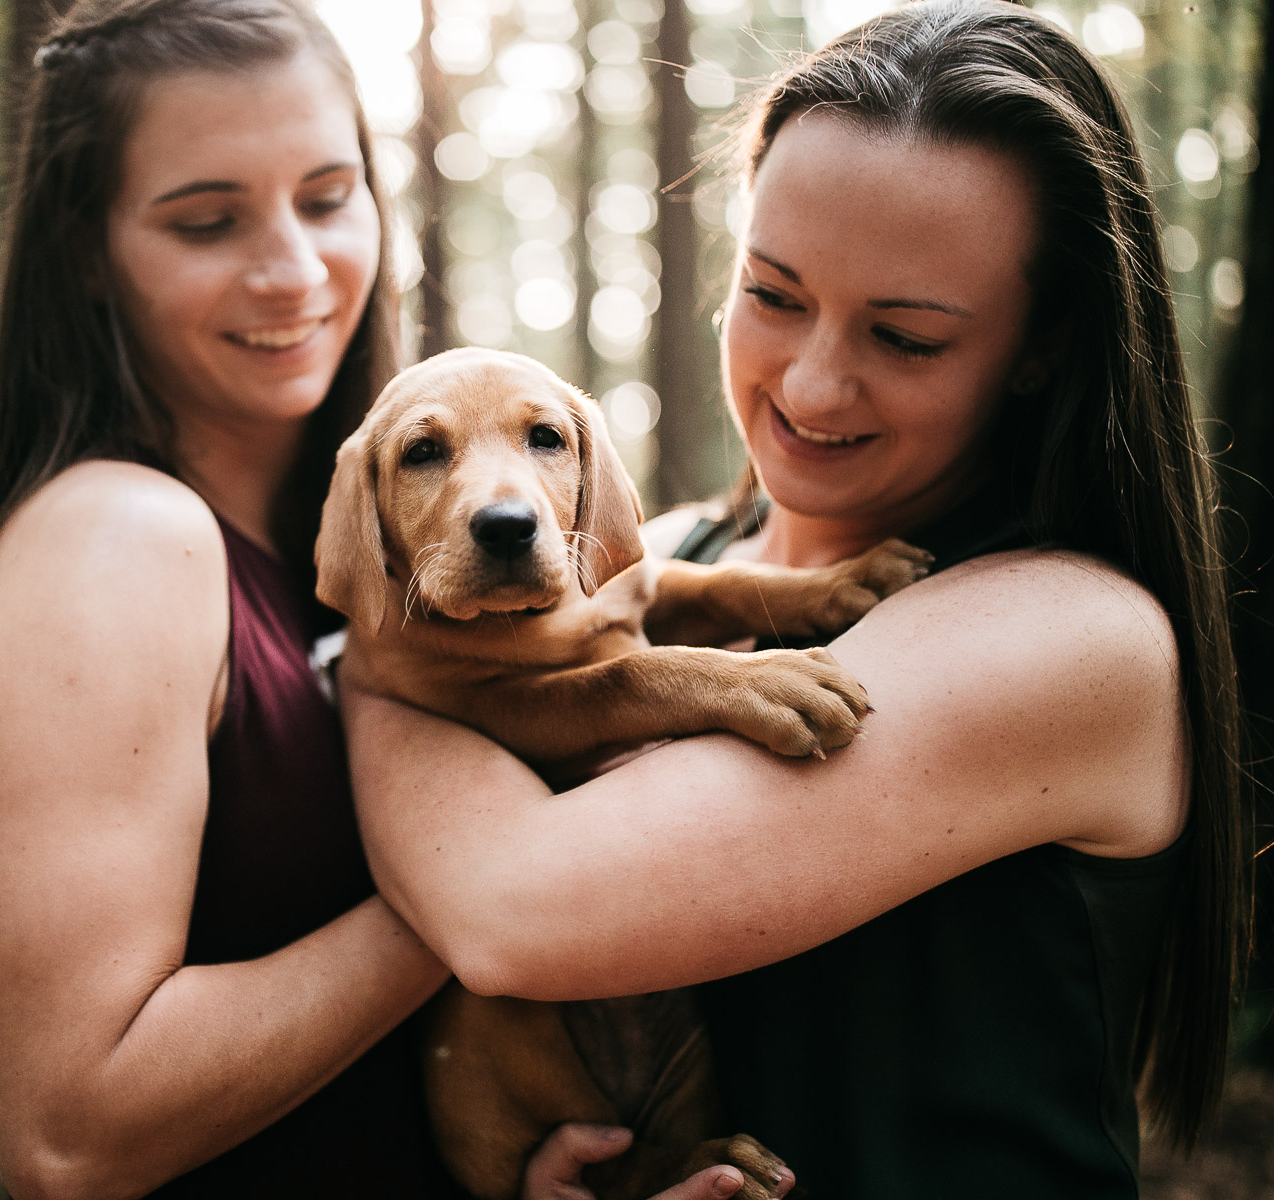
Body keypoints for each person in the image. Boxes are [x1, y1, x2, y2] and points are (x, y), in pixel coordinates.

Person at [348, 2, 1248, 1197]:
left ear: (1042, 346)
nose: (815, 382)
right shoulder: (674, 555)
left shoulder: (1070, 636)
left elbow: (511, 911)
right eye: (775, 293)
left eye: (907, 335)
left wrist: (370, 663)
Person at [0, 3, 770, 1198]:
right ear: (84, 249)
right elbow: (72, 1130)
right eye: (208, 220)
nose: (292, 267)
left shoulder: (334, 549)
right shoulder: (118, 537)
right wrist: (479, 887)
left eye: (327, 198)